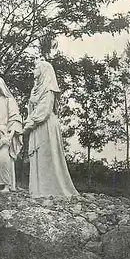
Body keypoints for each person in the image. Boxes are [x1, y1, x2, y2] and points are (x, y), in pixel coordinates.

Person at [23, 60, 79, 197]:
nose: (33, 71)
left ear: (43, 71)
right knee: (38, 156)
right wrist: (29, 121)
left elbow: (44, 110)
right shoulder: (35, 89)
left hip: (46, 125)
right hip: (36, 125)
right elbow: (32, 109)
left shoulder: (49, 90)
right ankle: (38, 189)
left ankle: (50, 189)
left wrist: (29, 124)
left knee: (47, 156)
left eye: (36, 68)